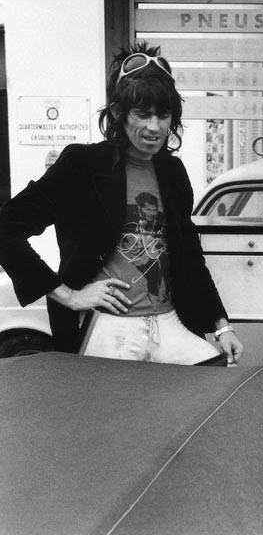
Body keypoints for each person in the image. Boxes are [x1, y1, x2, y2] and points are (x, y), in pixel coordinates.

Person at [0, 44, 244, 365]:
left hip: (170, 321)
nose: (155, 127)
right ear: (118, 113)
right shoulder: (83, 165)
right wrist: (69, 296)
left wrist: (221, 325)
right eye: (142, 114)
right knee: (116, 398)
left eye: (163, 115)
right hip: (106, 325)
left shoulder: (173, 172)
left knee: (212, 376)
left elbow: (190, 256)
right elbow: (6, 228)